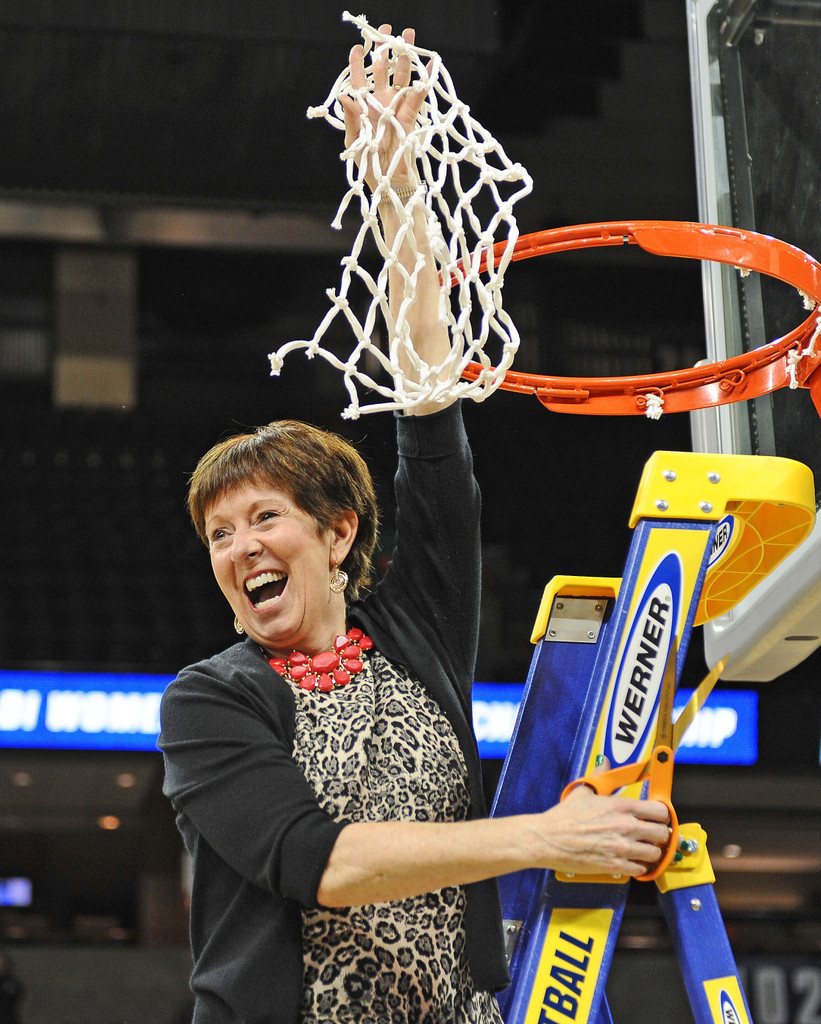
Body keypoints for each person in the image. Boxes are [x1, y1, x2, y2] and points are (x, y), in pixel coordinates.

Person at [158, 24, 671, 1024]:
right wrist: (541, 837)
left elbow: (428, 405)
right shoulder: (207, 702)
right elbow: (324, 863)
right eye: (218, 534)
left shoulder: (416, 628)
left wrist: (395, 187)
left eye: (262, 517)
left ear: (339, 533)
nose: (238, 547)